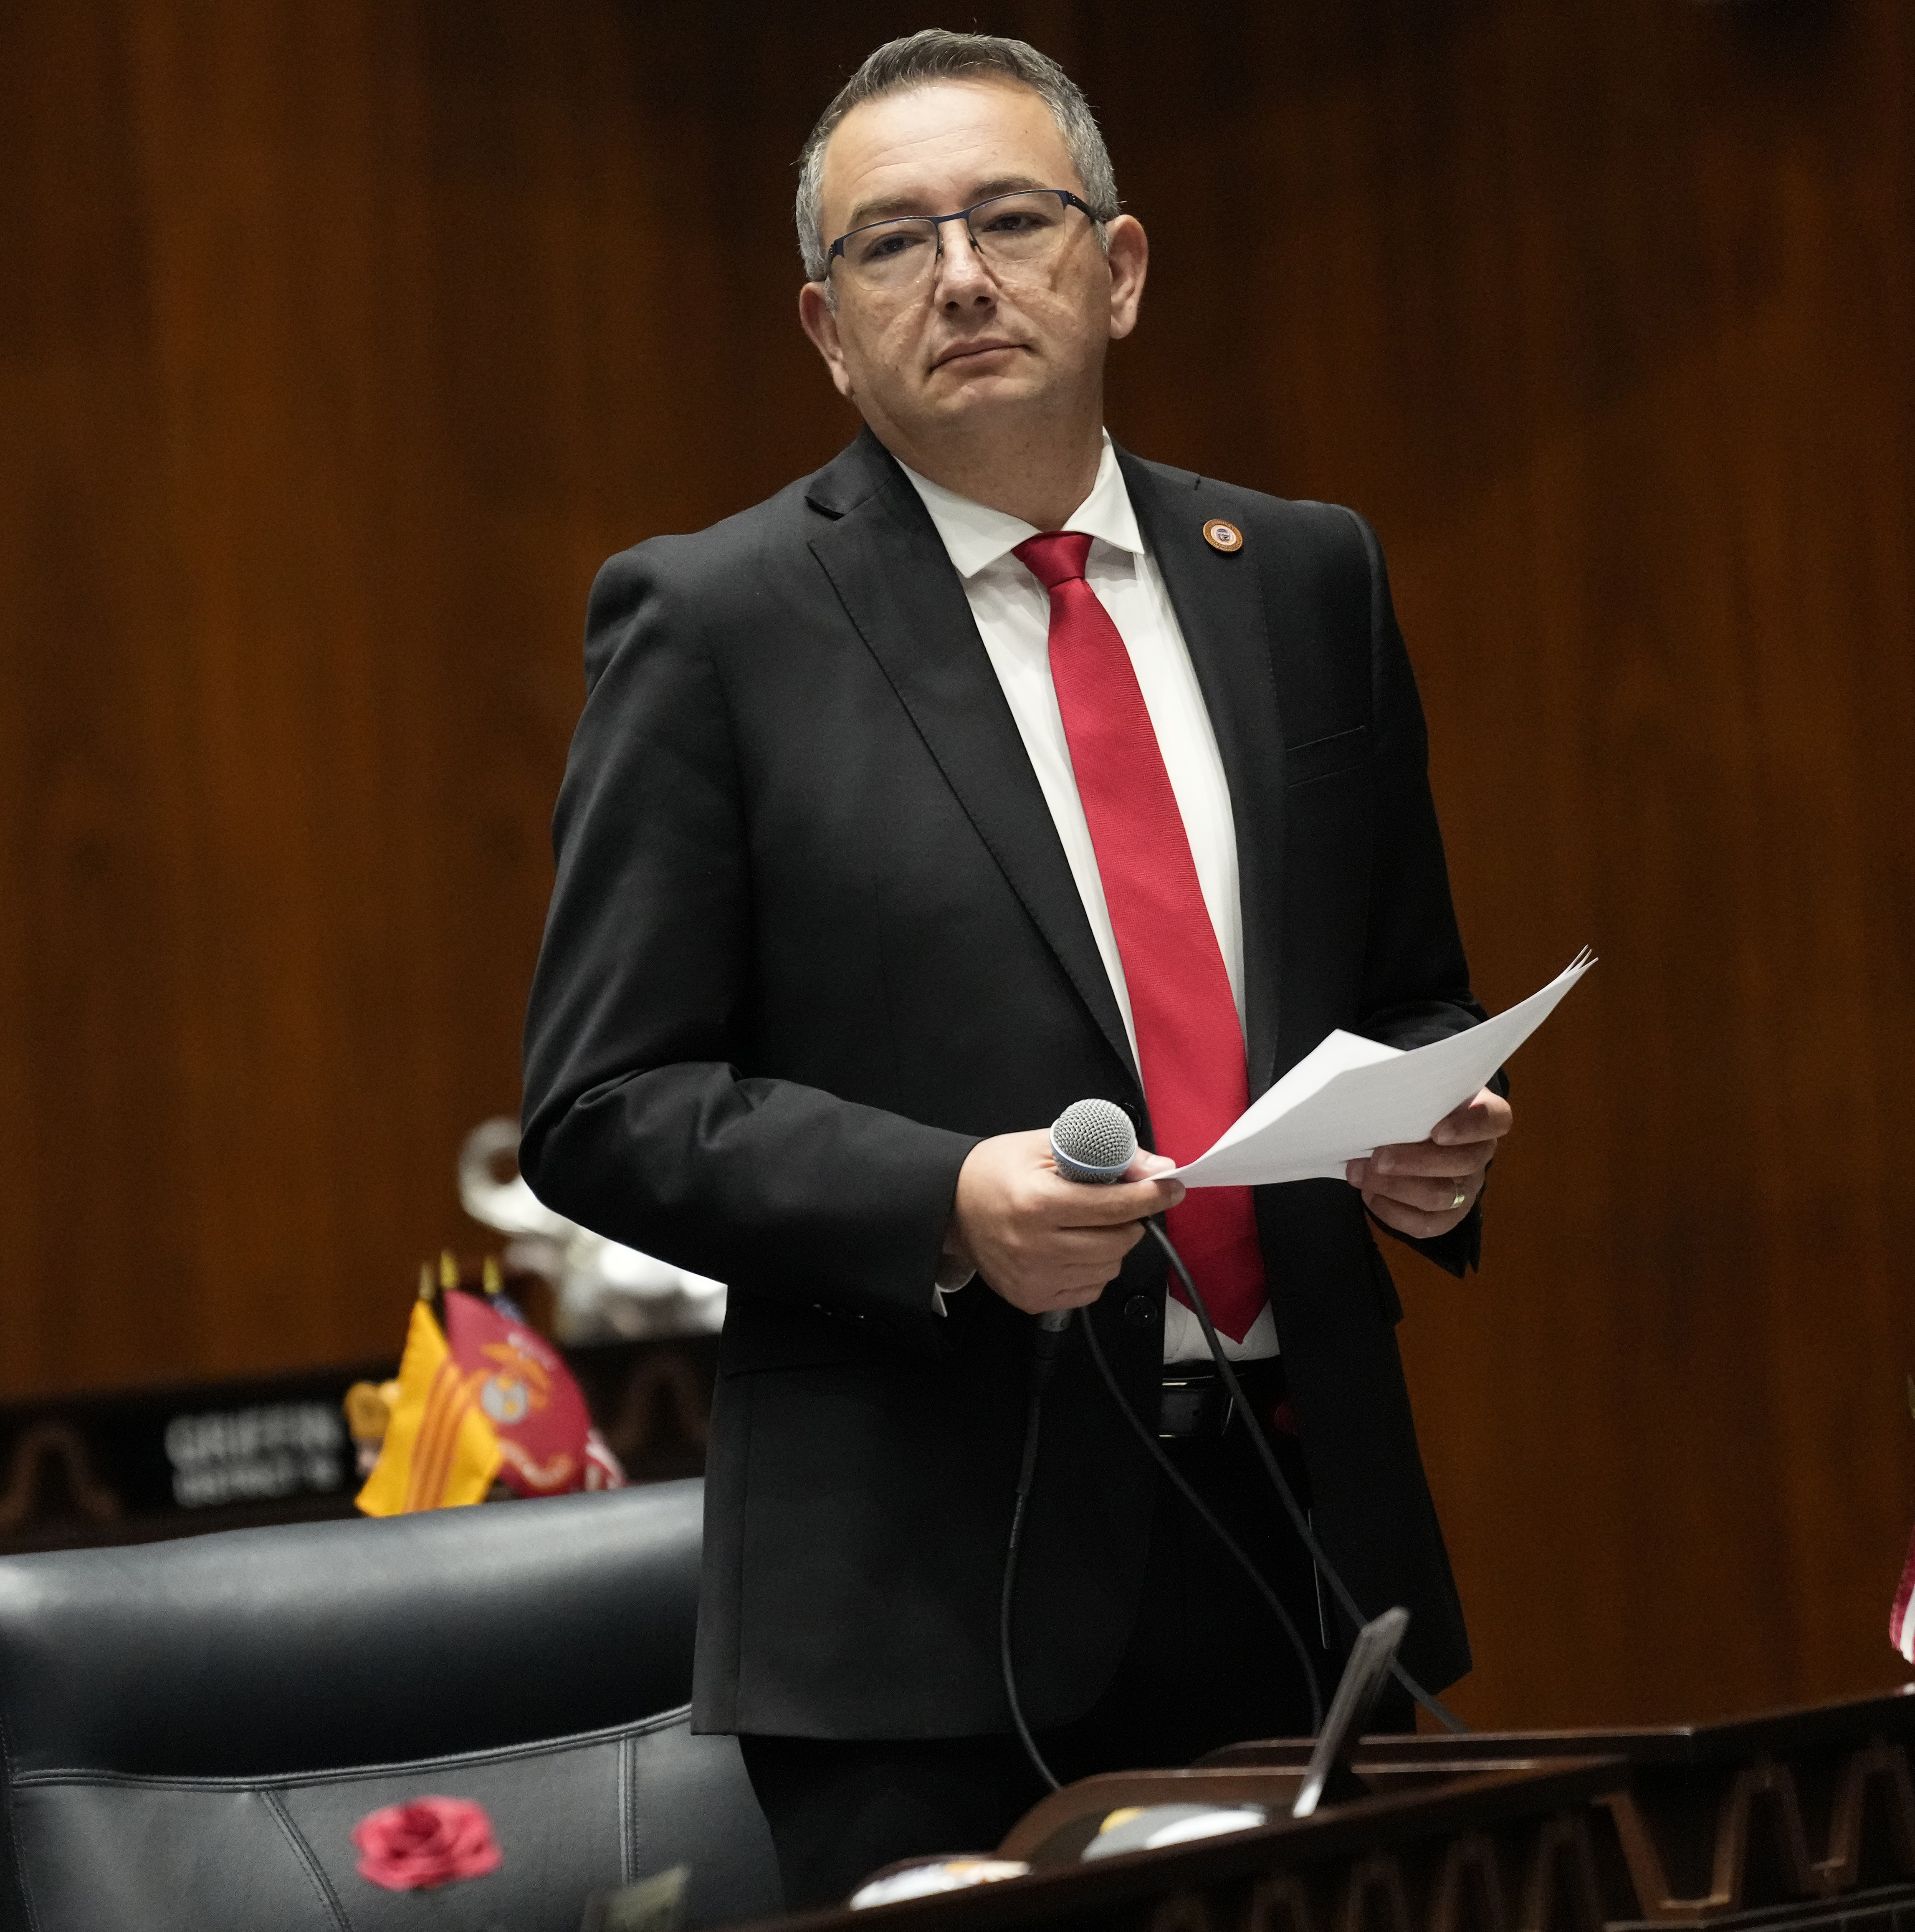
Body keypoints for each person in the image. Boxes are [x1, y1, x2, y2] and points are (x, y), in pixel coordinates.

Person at [520, 30, 1510, 1903]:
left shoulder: (1303, 576)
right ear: (826, 326)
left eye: (1009, 219)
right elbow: (600, 1106)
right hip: (924, 1605)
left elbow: (1409, 988)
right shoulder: (713, 622)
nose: (961, 275)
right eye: (893, 246)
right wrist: (942, 1202)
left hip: (1301, 1534)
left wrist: (1433, 1129)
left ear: (1117, 268)